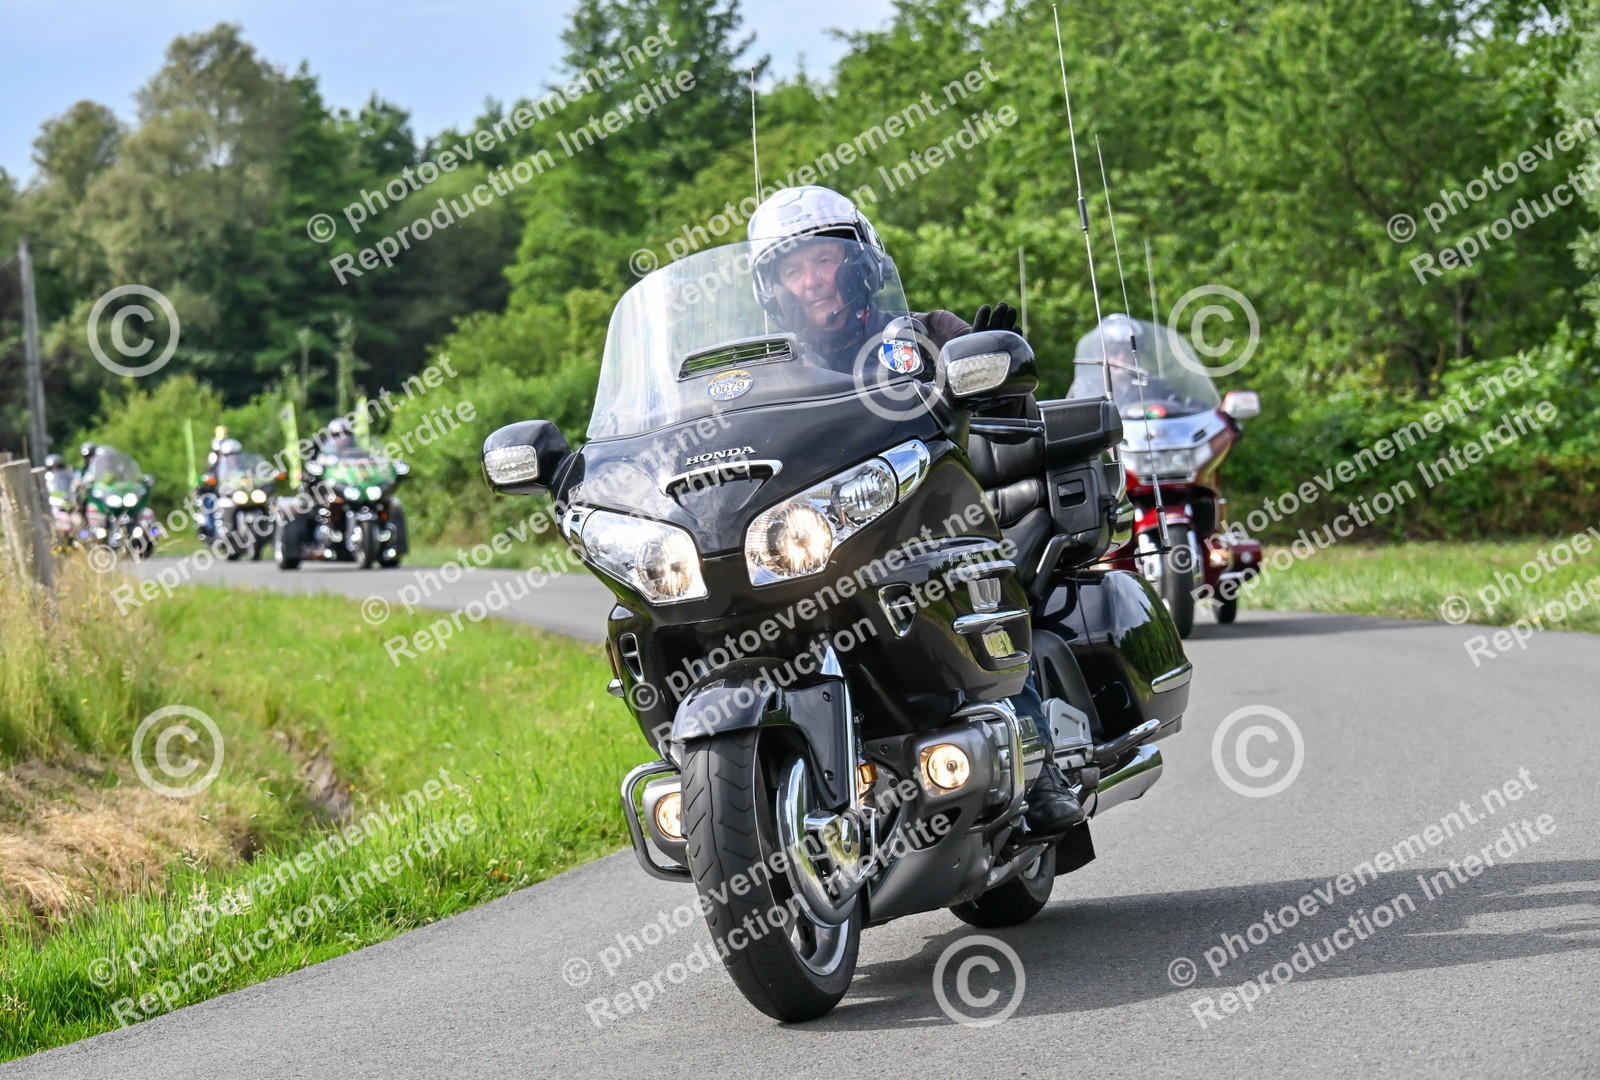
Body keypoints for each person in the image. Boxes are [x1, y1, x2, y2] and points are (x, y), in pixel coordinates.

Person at [744, 185, 1083, 832]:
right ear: (774, 287)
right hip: (818, 539)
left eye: (822, 261)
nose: (809, 281)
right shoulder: (767, 372)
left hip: (928, 523)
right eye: (793, 269)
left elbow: (1015, 427)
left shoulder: (928, 335)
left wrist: (1000, 385)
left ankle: (1039, 767)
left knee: (970, 585)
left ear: (858, 264)